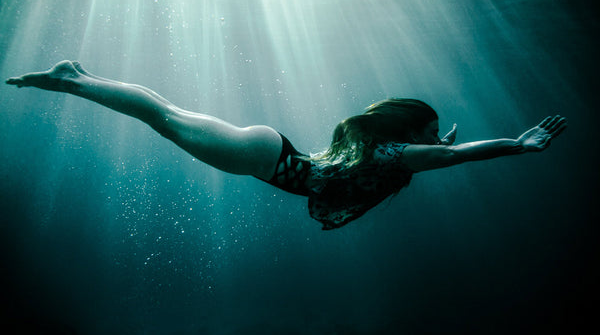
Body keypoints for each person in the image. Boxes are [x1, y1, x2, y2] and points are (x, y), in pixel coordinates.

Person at [6, 61, 567, 230]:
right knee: (163, 117)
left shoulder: (390, 158)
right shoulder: (397, 156)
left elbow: (429, 156)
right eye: (430, 129)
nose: (436, 138)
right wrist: (518, 145)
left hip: (268, 151)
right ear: (410, 134)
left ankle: (78, 75)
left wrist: (423, 153)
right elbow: (453, 156)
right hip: (265, 159)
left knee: (167, 114)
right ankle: (72, 82)